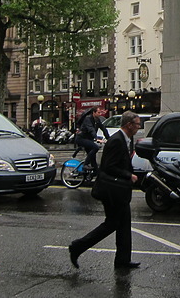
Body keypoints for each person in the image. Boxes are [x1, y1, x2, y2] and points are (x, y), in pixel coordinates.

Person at [69, 110, 142, 270]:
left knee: (123, 224)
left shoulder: (124, 139)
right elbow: (109, 166)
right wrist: (128, 175)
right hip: (112, 190)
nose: (139, 127)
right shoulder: (117, 141)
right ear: (129, 125)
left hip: (118, 191)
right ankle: (78, 246)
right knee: (112, 224)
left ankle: (122, 260)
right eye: (137, 124)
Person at [76, 106, 110, 173]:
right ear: (93, 113)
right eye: (98, 112)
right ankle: (85, 165)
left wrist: (109, 138)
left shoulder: (97, 120)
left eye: (100, 112)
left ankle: (95, 173)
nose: (100, 114)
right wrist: (96, 138)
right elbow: (91, 129)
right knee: (95, 148)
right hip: (81, 138)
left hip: (89, 139)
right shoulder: (88, 119)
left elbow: (103, 128)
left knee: (93, 159)